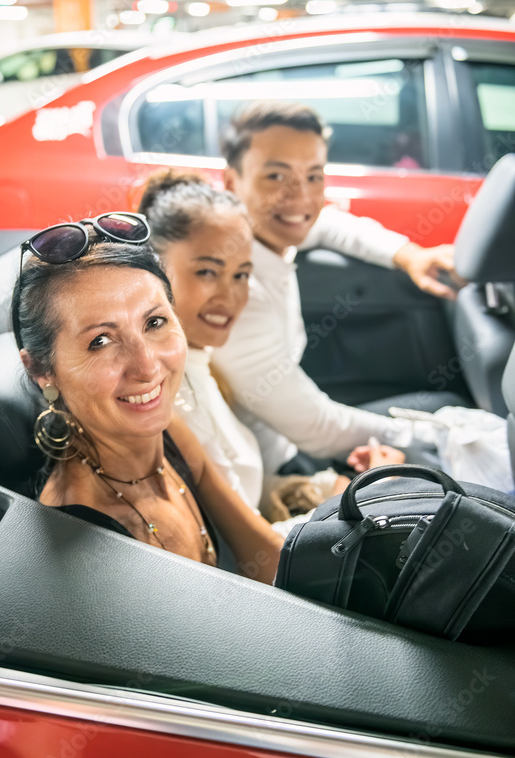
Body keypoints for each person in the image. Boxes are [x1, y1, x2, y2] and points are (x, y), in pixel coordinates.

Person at [11, 213, 282, 585]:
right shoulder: (88, 541)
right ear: (42, 371)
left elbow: (268, 557)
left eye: (154, 322)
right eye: (100, 341)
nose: (146, 366)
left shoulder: (168, 431)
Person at [138, 171, 405, 527]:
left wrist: (330, 486)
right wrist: (378, 492)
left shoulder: (200, 360)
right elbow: (248, 557)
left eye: (241, 275)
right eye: (206, 272)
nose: (231, 297)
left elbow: (242, 489)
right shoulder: (170, 396)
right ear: (154, 268)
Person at [212, 102, 463, 466]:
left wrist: (409, 255)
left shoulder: (262, 234)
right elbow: (316, 425)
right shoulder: (235, 292)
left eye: (314, 176)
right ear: (233, 182)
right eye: (276, 176)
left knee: (446, 409)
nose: (300, 196)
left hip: (290, 435)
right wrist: (432, 435)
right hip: (279, 466)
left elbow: (329, 225)